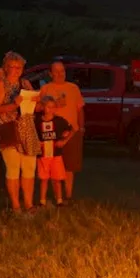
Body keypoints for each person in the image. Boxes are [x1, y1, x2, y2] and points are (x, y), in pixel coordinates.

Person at [0, 51, 43, 214]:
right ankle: (15, 206)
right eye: (12, 66)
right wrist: (14, 104)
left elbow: (38, 108)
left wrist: (37, 101)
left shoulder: (25, 83)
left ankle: (28, 204)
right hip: (9, 128)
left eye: (19, 67)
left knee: (29, 168)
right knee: (13, 168)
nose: (15, 69)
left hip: (27, 127)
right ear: (6, 67)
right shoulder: (0, 85)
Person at [40, 61, 85, 202]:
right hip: (52, 132)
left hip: (71, 131)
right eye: (56, 71)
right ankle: (56, 196)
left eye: (62, 71)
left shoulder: (73, 88)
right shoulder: (46, 89)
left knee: (69, 166)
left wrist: (81, 127)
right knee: (53, 164)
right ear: (50, 73)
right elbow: (39, 109)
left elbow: (79, 109)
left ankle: (68, 195)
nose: (60, 74)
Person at [35, 95, 75, 207]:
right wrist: (37, 143)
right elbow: (34, 135)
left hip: (56, 155)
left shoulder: (59, 121)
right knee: (43, 179)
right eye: (48, 107)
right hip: (43, 155)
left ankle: (59, 200)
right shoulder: (37, 121)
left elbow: (72, 130)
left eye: (53, 107)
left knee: (57, 179)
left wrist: (64, 140)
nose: (51, 109)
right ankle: (42, 201)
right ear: (43, 107)